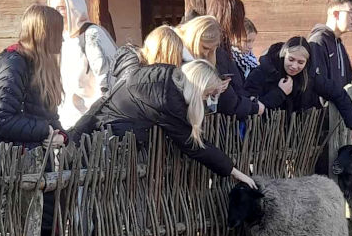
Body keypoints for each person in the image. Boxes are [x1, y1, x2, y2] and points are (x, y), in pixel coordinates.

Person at [69, 56, 255, 185]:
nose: (206, 100)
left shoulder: (165, 74)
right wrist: (234, 171)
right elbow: (195, 146)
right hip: (115, 147)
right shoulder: (169, 103)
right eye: (206, 95)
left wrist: (73, 134)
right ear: (198, 89)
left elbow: (105, 100)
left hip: (103, 132)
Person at [0, 5, 66, 150]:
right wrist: (45, 131)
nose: (62, 39)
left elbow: (49, 117)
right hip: (12, 163)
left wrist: (60, 136)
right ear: (45, 34)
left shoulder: (41, 66)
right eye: (58, 33)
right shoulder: (14, 64)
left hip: (34, 161)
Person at [245, 36, 352, 144]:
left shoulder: (309, 76)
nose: (295, 66)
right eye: (291, 59)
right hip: (263, 138)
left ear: (307, 63)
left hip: (297, 139)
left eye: (300, 62)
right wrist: (280, 93)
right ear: (283, 55)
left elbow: (337, 93)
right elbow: (250, 104)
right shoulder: (263, 72)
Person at [47, 0, 118, 129]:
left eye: (62, 7)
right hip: (66, 121)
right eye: (53, 9)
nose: (57, 13)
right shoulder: (60, 39)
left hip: (92, 122)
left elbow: (107, 80)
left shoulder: (92, 36)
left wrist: (97, 119)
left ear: (74, 7)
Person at [207, 0, 265, 119]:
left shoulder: (223, 47)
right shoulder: (217, 50)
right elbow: (228, 99)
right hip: (222, 120)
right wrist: (254, 107)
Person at [308, 0, 352, 86]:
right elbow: (318, 82)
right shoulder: (318, 42)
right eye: (351, 12)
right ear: (336, 14)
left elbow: (349, 79)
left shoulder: (338, 44)